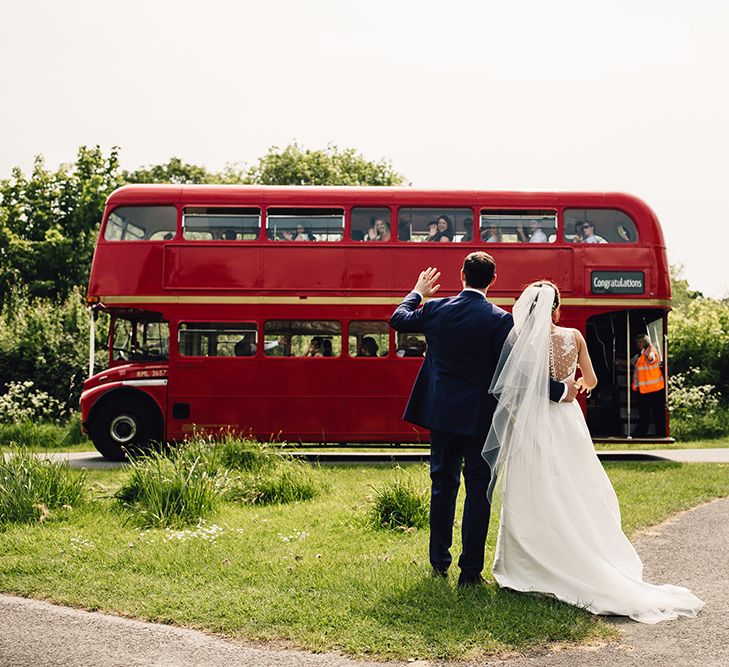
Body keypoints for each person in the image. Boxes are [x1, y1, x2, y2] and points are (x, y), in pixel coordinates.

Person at [482, 281, 703, 622]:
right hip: (568, 421)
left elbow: (519, 385)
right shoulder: (575, 336)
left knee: (532, 485)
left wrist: (556, 390)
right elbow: (594, 380)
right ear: (557, 308)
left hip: (535, 422)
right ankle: (578, 547)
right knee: (573, 483)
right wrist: (576, 386)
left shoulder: (524, 341)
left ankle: (526, 562)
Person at [390, 253, 575, 587]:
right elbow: (518, 371)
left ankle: (438, 563)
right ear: (493, 279)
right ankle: (470, 572)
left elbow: (399, 318)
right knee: (479, 491)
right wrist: (559, 390)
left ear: (461, 274)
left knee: (442, 488)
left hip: (442, 417)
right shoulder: (500, 320)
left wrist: (418, 291)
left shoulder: (436, 309)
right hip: (481, 421)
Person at [631, 333, 666, 437]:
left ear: (646, 342)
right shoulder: (639, 355)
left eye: (640, 341)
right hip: (645, 389)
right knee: (645, 414)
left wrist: (648, 355)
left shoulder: (650, 352)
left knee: (657, 414)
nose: (638, 344)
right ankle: (642, 433)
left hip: (655, 388)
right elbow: (632, 362)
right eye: (637, 342)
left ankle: (660, 433)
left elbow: (651, 359)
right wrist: (620, 363)